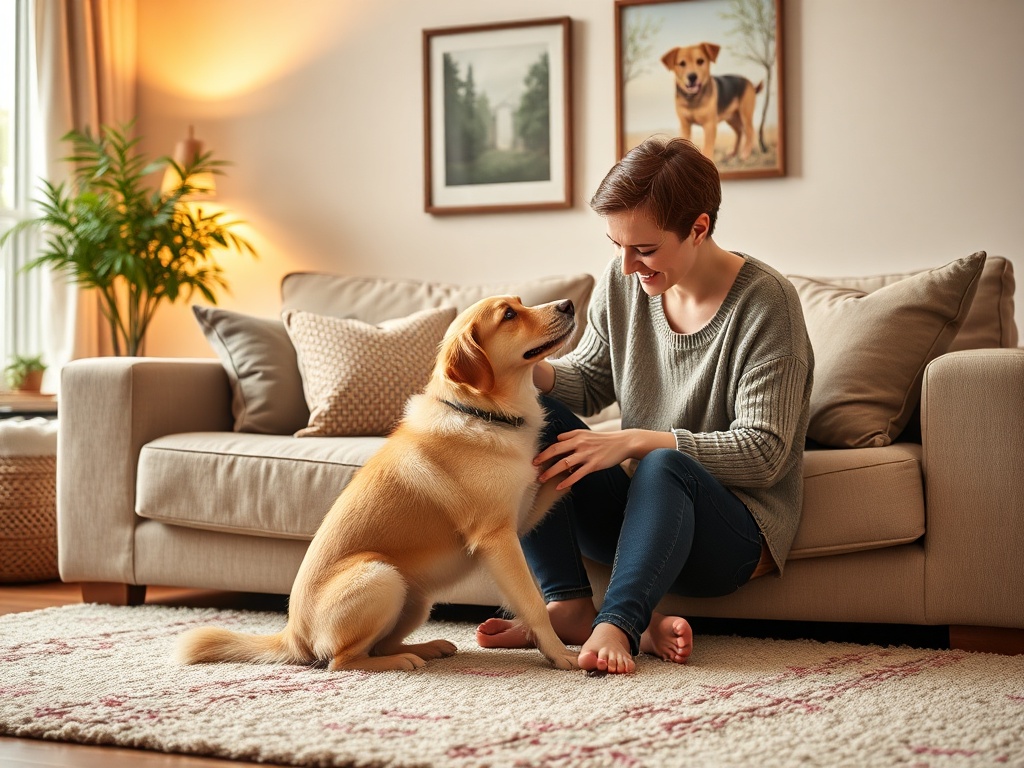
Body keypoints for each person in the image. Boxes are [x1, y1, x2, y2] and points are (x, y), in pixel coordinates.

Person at [476, 136, 814, 674]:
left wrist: (634, 440)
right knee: (531, 418)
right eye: (617, 245)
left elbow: (765, 453)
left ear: (698, 229)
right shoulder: (624, 280)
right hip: (639, 523)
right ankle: (567, 604)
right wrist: (520, 364)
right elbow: (587, 381)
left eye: (645, 249)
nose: (628, 265)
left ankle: (620, 624)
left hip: (730, 538)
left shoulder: (766, 303)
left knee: (662, 462)